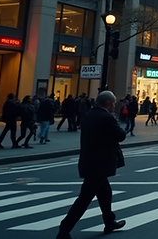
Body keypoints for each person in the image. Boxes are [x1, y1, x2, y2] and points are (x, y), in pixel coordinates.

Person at [56, 90, 127, 239]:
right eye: (113, 103)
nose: (114, 105)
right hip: (100, 164)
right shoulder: (107, 117)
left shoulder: (89, 115)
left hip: (90, 161)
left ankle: (109, 221)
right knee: (85, 198)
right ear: (108, 103)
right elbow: (121, 136)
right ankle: (64, 229)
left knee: (105, 192)